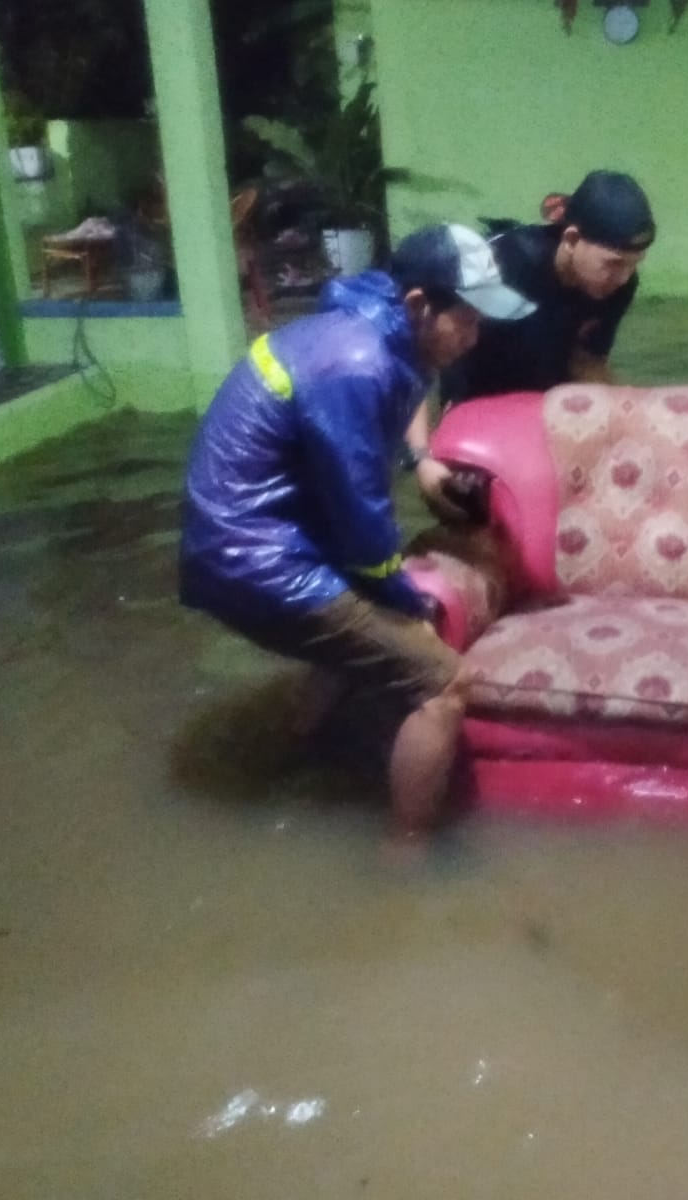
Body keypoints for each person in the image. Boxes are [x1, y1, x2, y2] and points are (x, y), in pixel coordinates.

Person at [180, 224, 534, 839]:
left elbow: (350, 475)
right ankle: (407, 857)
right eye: (469, 318)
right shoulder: (357, 362)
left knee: (372, 625)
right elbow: (361, 511)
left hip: (245, 543)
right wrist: (401, 592)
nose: (478, 335)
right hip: (256, 558)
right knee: (441, 678)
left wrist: (411, 478)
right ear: (420, 304)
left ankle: (293, 752)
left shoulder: (375, 336)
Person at [407, 169, 656, 515]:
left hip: (543, 412)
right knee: (469, 513)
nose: (624, 277)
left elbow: (586, 361)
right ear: (571, 238)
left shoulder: (617, 287)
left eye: (634, 265)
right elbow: (413, 355)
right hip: (476, 410)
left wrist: (639, 427)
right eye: (613, 263)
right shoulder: (505, 265)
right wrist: (422, 458)